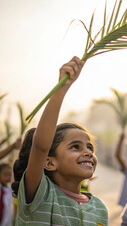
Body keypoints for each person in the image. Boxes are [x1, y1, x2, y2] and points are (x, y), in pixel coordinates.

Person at [11, 56, 108, 225]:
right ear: (49, 163)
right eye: (75, 147)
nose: (88, 152)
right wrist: (62, 88)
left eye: (90, 147)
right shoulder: (40, 195)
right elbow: (40, 147)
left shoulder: (100, 208)